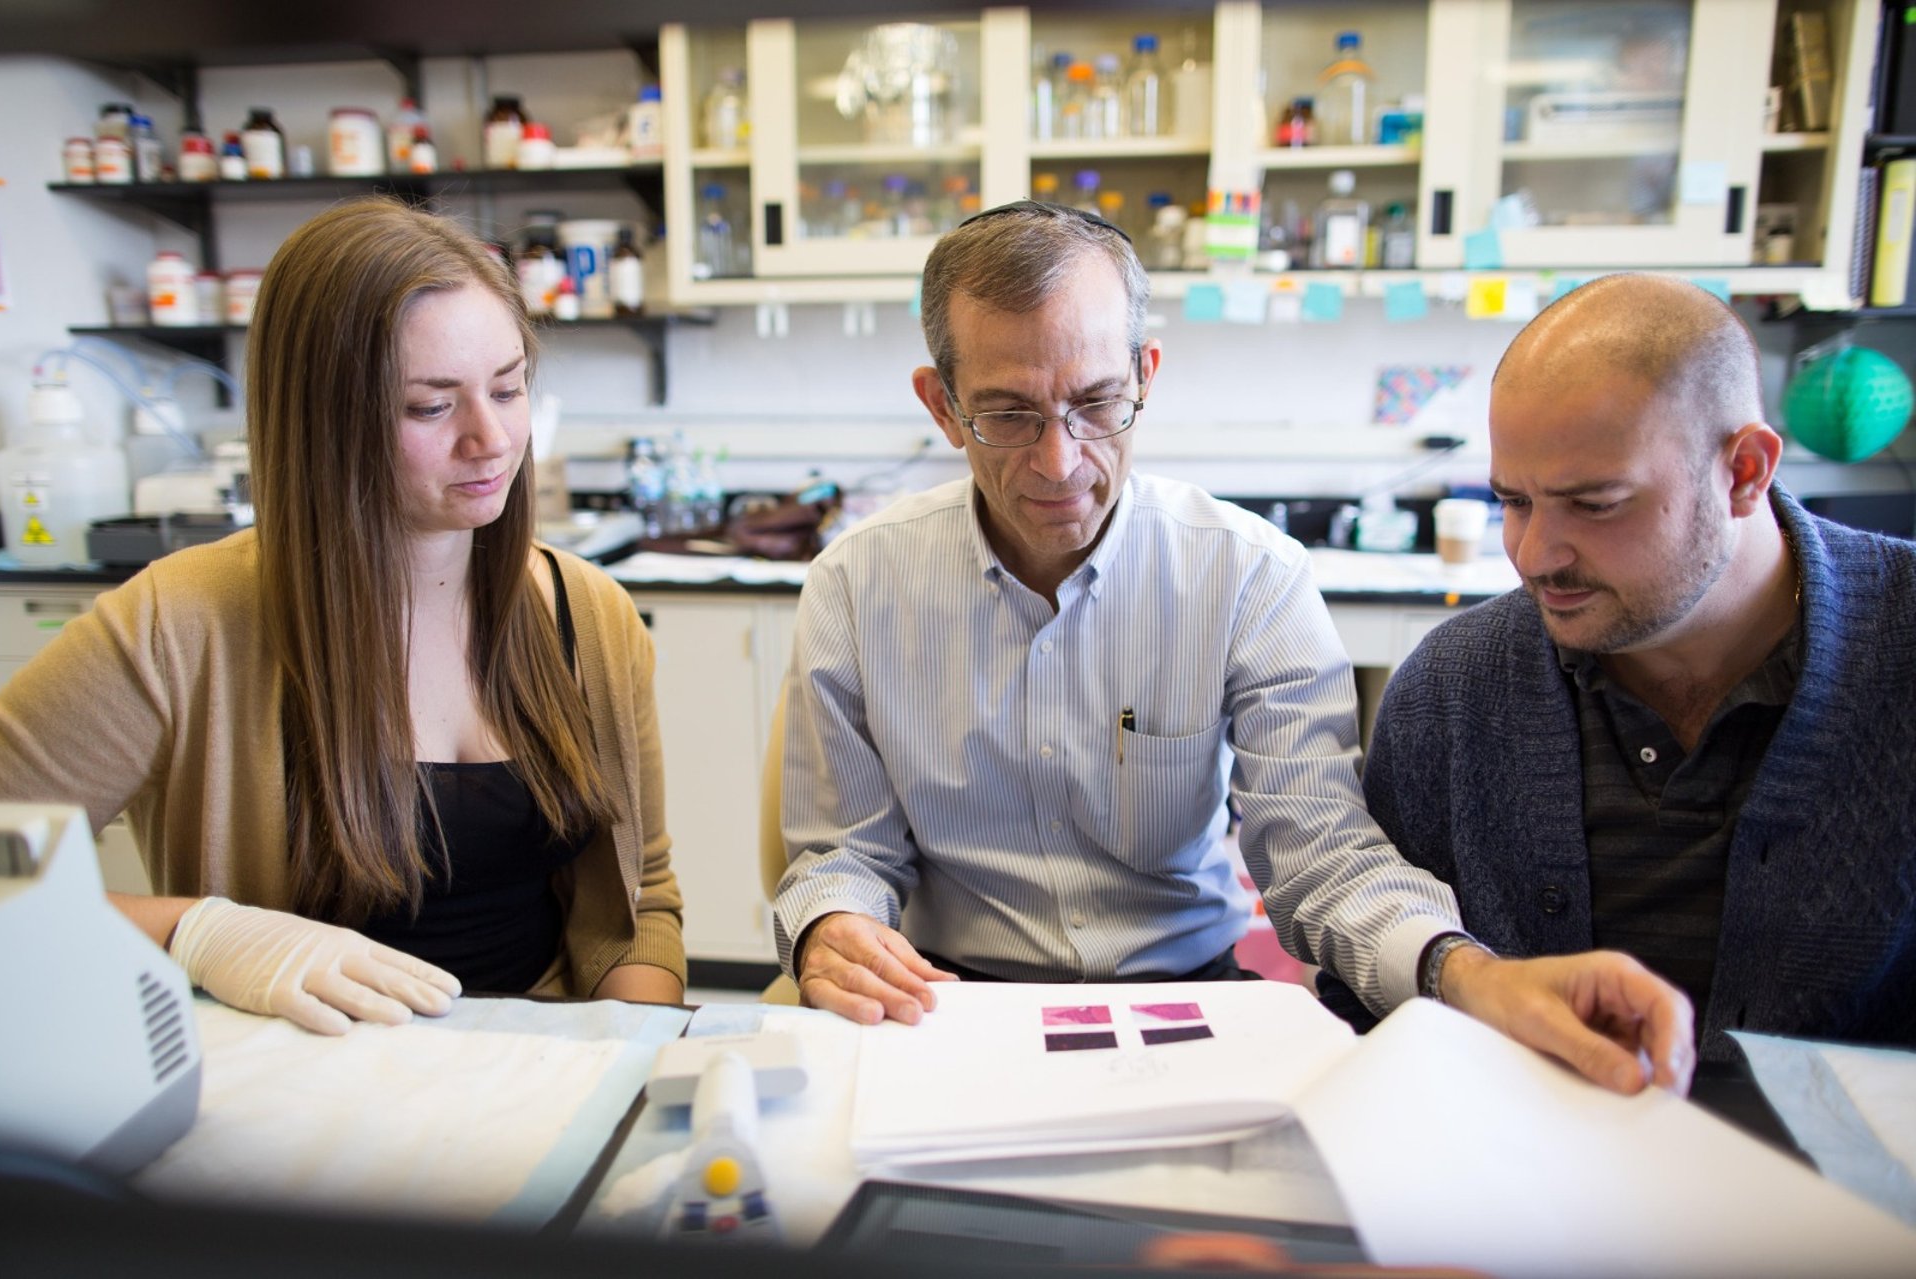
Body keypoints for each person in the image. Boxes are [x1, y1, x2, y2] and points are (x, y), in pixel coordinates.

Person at [772, 201, 1694, 1096]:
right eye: (1008, 415)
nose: (1060, 461)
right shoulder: (857, 583)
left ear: (1146, 375)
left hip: (1184, 994)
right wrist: (831, 926)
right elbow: (842, 853)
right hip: (947, 1001)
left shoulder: (1247, 574)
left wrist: (1469, 974)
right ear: (941, 405)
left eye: (1098, 403)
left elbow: (1321, 850)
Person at [0, 199, 683, 1033]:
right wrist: (194, 933)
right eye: (430, 407)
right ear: (324, 419)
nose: (493, 438)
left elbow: (641, 895)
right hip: (297, 1080)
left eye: (508, 389)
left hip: (538, 1068)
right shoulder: (177, 626)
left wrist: (634, 1054)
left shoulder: (589, 614)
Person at [1356, 273, 1916, 1062]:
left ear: (1745, 471)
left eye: (1595, 504)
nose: (1534, 555)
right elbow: (1373, 1007)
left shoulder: (1896, 642)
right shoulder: (1452, 691)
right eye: (1514, 501)